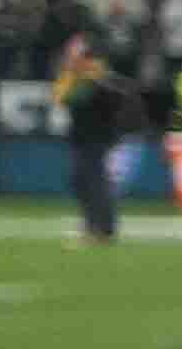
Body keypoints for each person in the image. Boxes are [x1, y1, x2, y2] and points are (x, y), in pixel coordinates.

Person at [52, 30, 133, 242]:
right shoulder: (83, 76)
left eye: (74, 53)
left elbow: (72, 98)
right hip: (84, 136)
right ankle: (96, 225)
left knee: (93, 182)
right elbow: (62, 97)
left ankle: (101, 228)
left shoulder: (95, 75)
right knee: (83, 181)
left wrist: (73, 75)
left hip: (95, 137)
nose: (69, 58)